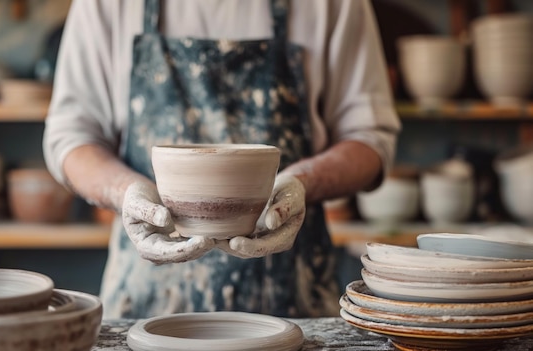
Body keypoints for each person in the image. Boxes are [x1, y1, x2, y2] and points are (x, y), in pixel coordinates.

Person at [43, 0, 400, 319]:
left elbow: (369, 138)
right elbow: (71, 136)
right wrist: (124, 191)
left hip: (292, 297)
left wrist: (303, 181)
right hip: (148, 303)